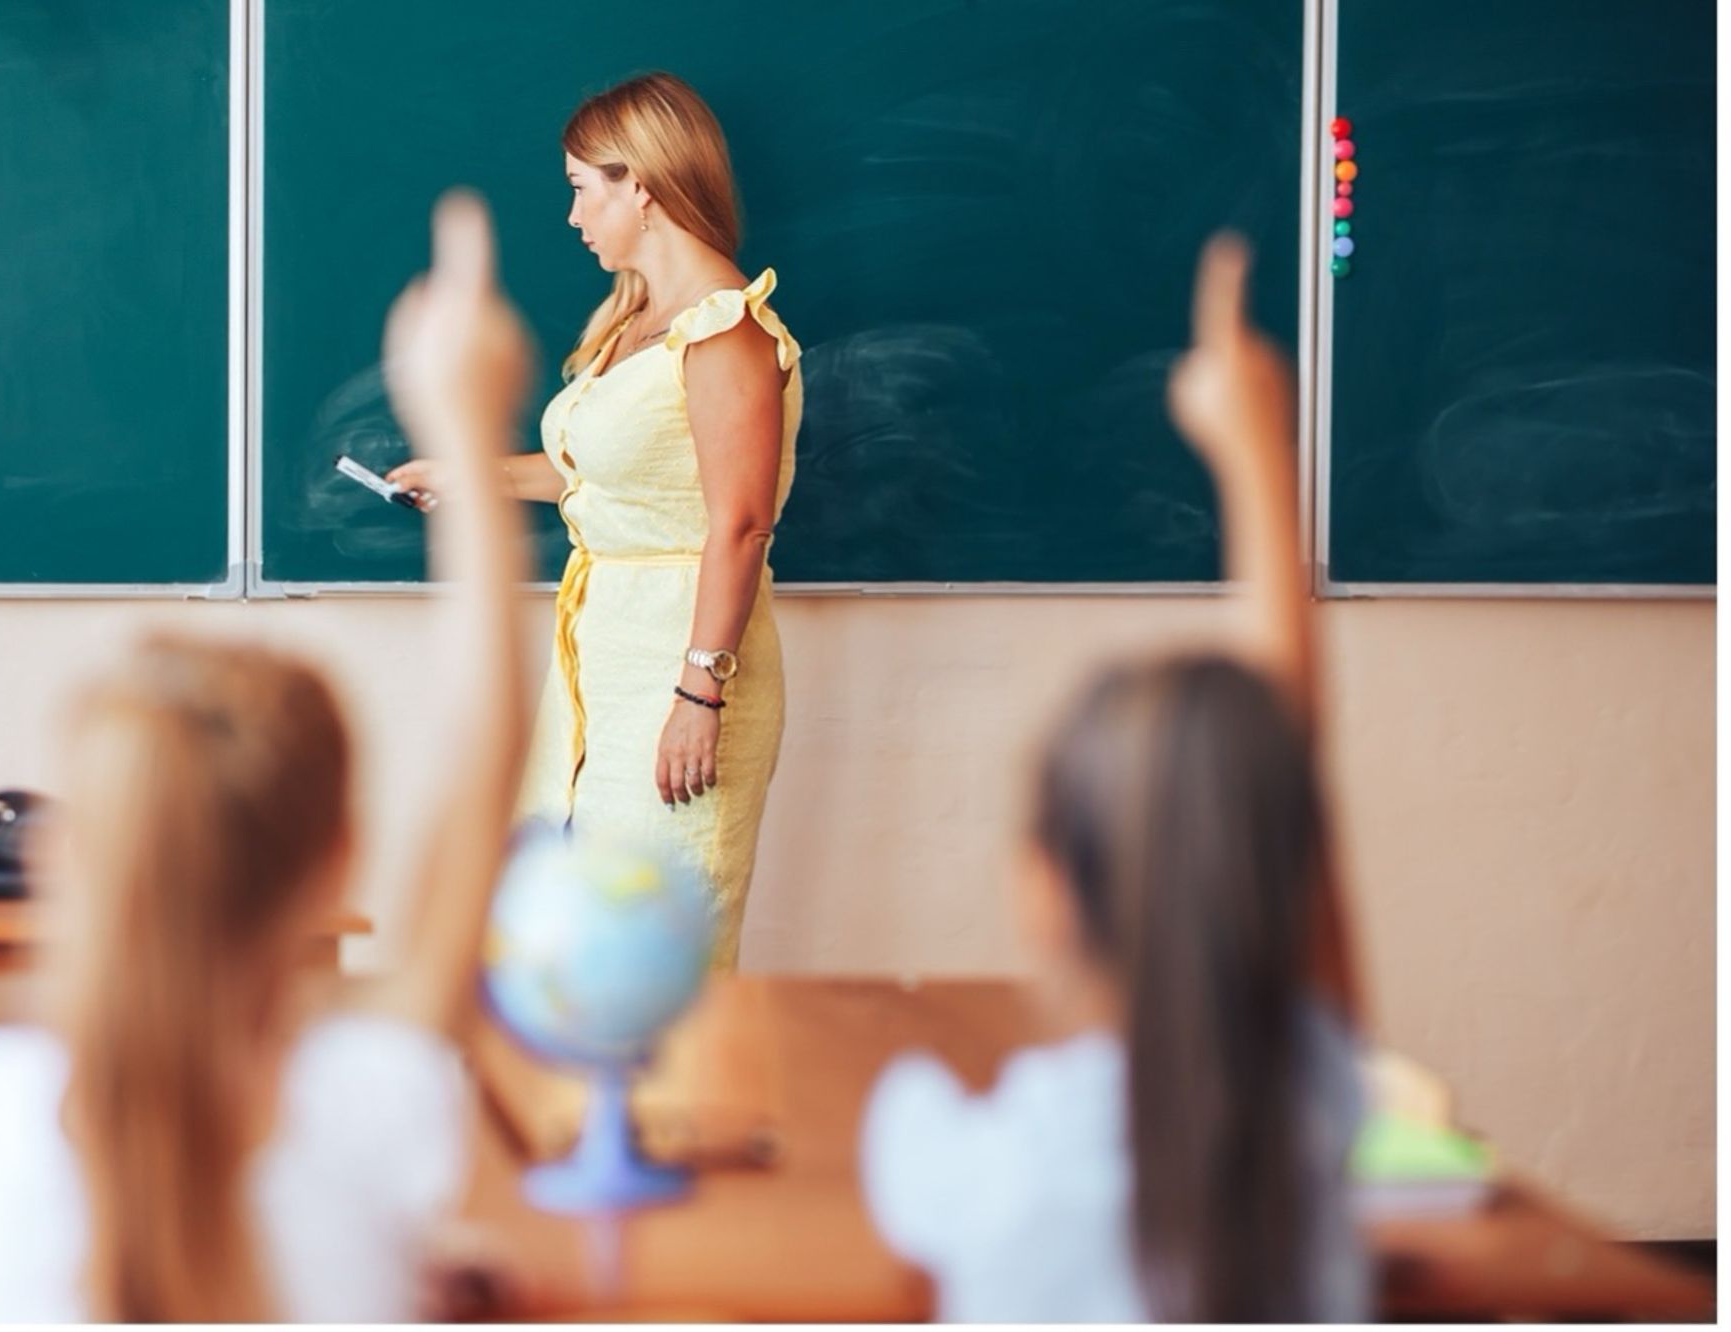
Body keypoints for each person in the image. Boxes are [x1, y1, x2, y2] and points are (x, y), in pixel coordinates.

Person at [0, 192, 536, 1322]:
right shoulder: (380, 1106)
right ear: (341, 860)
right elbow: (483, 765)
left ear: (88, 856)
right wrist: (463, 434)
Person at [858, 236, 1370, 1322]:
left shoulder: (979, 1164)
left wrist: (1250, 454)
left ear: (1038, 888)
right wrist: (1252, 453)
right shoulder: (1307, 1114)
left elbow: (1284, 796)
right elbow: (1278, 788)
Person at [390, 72, 801, 969]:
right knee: (566, 935)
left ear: (640, 185)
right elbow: (600, 476)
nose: (574, 217)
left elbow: (739, 522)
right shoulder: (633, 323)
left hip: (685, 668)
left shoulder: (723, 332)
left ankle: (673, 1113)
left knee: (656, 954)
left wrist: (699, 695)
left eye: (584, 188)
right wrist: (468, 472)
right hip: (600, 665)